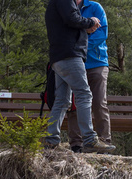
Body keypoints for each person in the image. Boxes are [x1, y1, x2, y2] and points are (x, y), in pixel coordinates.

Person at [44, 0, 116, 153]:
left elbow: (69, 24)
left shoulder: (55, 4)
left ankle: (51, 140)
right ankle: (89, 139)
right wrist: (91, 21)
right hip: (70, 55)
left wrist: (85, 29)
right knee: (84, 95)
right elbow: (72, 19)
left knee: (62, 100)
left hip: (58, 57)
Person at [67, 0, 113, 153]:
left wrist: (80, 43)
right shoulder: (67, 6)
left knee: (99, 103)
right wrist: (86, 31)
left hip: (97, 63)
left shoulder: (95, 7)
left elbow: (102, 33)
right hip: (74, 63)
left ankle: (104, 141)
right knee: (74, 104)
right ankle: (76, 144)